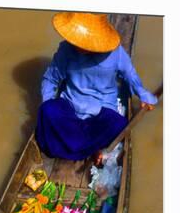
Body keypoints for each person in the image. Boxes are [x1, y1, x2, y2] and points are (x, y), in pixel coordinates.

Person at [35, 12, 157, 161]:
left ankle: (81, 146)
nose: (77, 45)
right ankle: (89, 148)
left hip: (101, 111)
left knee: (117, 124)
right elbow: (50, 78)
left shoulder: (115, 53)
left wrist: (143, 95)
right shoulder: (66, 50)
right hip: (71, 106)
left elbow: (129, 74)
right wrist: (47, 101)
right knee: (46, 110)